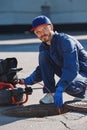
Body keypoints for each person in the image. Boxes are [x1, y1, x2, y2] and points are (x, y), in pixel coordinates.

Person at [23, 15, 87, 108]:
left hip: (83, 72)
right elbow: (43, 68)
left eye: (44, 29)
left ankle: (84, 91)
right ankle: (51, 94)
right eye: (38, 32)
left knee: (67, 85)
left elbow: (71, 68)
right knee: (43, 56)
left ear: (51, 27)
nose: (42, 33)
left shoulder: (66, 41)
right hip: (72, 73)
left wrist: (60, 87)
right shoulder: (44, 46)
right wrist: (29, 80)